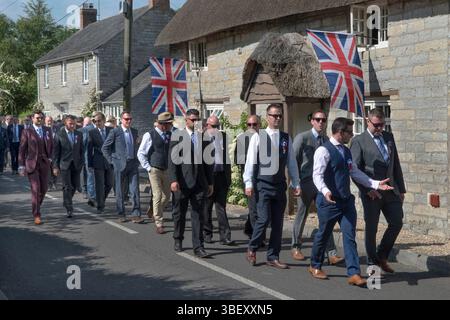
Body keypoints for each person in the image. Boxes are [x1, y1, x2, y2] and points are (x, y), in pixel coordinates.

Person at [309, 117, 394, 287]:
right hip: (329, 202)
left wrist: (376, 184)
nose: (351, 135)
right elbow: (317, 176)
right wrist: (325, 191)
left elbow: (355, 173)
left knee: (349, 236)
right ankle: (315, 265)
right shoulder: (323, 151)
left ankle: (354, 273)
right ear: (340, 132)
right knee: (323, 234)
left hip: (346, 201)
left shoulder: (346, 151)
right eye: (349, 132)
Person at [244, 104, 301, 269]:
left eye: (279, 116)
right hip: (263, 184)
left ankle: (273, 256)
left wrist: (296, 182)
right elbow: (250, 161)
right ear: (267, 117)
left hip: (279, 185)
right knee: (263, 219)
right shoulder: (258, 136)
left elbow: (291, 162)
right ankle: (252, 248)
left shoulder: (285, 138)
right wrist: (248, 183)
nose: (277, 119)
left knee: (278, 223)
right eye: (274, 115)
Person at [350, 108, 406, 274]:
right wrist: (367, 189)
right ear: (368, 121)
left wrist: (401, 189)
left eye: (382, 124)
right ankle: (372, 266)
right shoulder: (358, 140)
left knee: (396, 223)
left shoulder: (388, 137)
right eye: (376, 125)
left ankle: (382, 256)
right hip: (372, 193)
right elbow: (354, 169)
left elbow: (395, 164)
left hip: (391, 191)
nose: (380, 128)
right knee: (372, 229)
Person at [291, 110, 343, 264]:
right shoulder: (302, 138)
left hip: (321, 184)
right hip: (305, 182)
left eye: (323, 120)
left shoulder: (327, 140)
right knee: (301, 214)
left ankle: (331, 253)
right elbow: (293, 162)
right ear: (312, 121)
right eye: (317, 119)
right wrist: (295, 183)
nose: (321, 122)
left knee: (326, 217)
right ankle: (295, 247)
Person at [169, 109, 213, 257]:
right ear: (186, 120)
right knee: (179, 213)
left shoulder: (203, 137)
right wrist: (174, 180)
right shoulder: (177, 136)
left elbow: (208, 162)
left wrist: (210, 182)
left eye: (197, 120)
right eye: (192, 120)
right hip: (182, 182)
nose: (195, 122)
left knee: (198, 215)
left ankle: (198, 246)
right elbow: (173, 160)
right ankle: (178, 239)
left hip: (199, 183)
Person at [102, 111, 144, 223]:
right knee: (120, 191)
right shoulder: (115, 131)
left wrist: (137, 158)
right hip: (119, 165)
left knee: (134, 190)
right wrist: (112, 161)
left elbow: (136, 146)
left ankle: (136, 214)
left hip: (133, 164)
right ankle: (121, 213)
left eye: (130, 119)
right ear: (121, 120)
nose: (129, 121)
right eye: (126, 119)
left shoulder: (134, 132)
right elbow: (105, 148)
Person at [138, 112, 174, 233]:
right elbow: (141, 153)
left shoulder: (170, 134)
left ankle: (154, 210)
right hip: (154, 169)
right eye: (169, 124)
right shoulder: (150, 135)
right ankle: (159, 222)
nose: (171, 125)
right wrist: (148, 167)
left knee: (167, 197)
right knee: (157, 195)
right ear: (162, 125)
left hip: (167, 169)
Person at [202, 115, 235, 246]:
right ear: (207, 126)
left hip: (221, 175)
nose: (216, 129)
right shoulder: (201, 139)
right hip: (209, 177)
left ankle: (225, 236)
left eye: (218, 126)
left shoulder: (223, 137)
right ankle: (207, 233)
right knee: (207, 207)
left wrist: (228, 177)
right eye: (213, 126)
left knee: (221, 207)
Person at [18, 111, 53, 225]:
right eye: (37, 118)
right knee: (36, 189)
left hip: (44, 163)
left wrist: (51, 158)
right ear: (32, 118)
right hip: (32, 164)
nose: (40, 120)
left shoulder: (47, 130)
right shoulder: (27, 131)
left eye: (41, 118)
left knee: (43, 189)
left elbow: (52, 146)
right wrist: (21, 166)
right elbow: (22, 150)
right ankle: (37, 214)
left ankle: (37, 205)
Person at [53, 115, 84, 218]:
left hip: (76, 164)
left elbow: (81, 150)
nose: (72, 125)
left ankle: (66, 201)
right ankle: (69, 208)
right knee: (67, 186)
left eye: (74, 123)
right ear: (65, 123)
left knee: (75, 185)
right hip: (64, 164)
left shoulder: (79, 134)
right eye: (70, 123)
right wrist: (55, 166)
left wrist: (82, 161)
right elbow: (56, 153)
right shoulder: (59, 135)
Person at [87, 112, 113, 214]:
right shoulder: (92, 132)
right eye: (95, 121)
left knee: (110, 184)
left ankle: (100, 200)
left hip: (110, 161)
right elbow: (89, 150)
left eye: (99, 121)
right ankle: (100, 206)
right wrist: (89, 164)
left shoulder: (111, 131)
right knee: (99, 185)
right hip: (98, 161)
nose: (97, 123)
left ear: (103, 121)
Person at [45, 116, 59, 190]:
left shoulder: (57, 129)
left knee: (55, 167)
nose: (49, 122)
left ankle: (54, 183)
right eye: (48, 121)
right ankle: (49, 184)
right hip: (46, 153)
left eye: (50, 121)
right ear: (45, 121)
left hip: (55, 152)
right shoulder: (43, 130)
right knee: (47, 169)